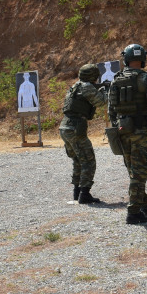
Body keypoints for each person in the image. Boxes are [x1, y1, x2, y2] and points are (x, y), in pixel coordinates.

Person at [108, 43, 147, 224]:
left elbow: (111, 110)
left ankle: (145, 204)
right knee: (139, 172)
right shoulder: (146, 79)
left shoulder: (116, 80)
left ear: (126, 58)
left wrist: (119, 127)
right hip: (141, 132)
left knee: (134, 170)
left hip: (123, 131)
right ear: (142, 59)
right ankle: (133, 212)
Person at [60, 63, 108, 204]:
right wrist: (107, 91)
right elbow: (102, 102)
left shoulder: (75, 86)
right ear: (93, 76)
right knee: (88, 161)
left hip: (65, 127)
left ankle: (77, 192)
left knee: (78, 160)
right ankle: (85, 193)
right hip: (75, 128)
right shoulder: (87, 87)